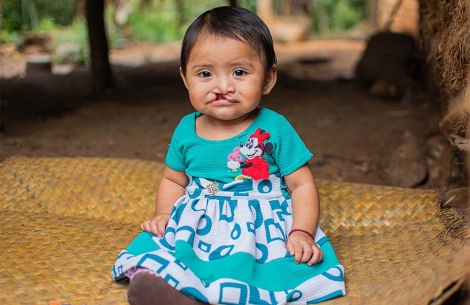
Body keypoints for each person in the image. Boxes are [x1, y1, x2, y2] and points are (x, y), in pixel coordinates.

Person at [112, 6, 346, 305]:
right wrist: (164, 215)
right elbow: (173, 180)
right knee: (171, 255)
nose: (223, 87)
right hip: (200, 217)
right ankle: (174, 290)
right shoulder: (187, 129)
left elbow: (301, 185)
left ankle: (226, 295)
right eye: (205, 73)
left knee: (270, 272)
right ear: (186, 78)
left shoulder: (274, 127)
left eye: (239, 72)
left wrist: (301, 232)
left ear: (268, 78)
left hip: (261, 221)